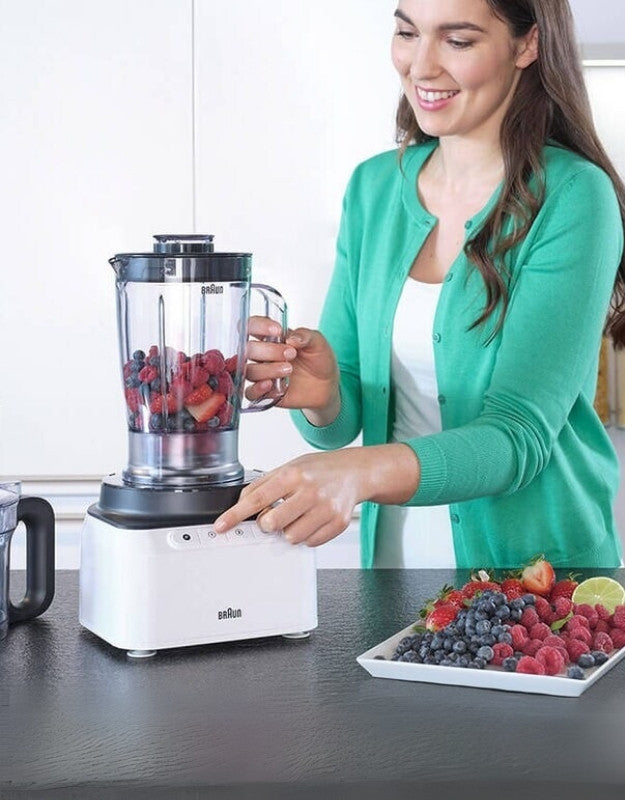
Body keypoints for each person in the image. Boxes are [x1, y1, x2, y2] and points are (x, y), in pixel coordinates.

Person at [214, 0, 625, 570]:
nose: (422, 66)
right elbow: (339, 424)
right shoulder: (374, 188)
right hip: (394, 566)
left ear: (527, 44)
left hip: (537, 585)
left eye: (458, 41)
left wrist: (358, 474)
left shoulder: (574, 196)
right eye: (408, 33)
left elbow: (518, 436)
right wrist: (324, 394)